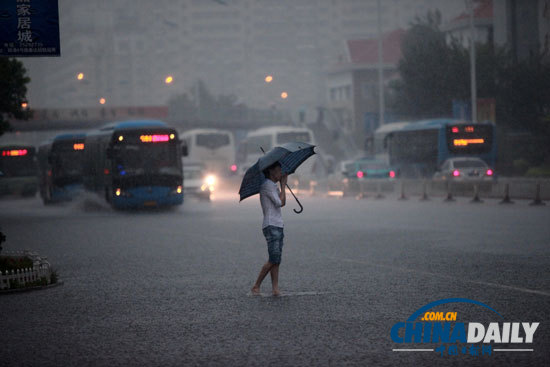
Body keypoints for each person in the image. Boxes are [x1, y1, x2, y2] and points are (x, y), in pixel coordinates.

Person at [251, 161, 287, 296]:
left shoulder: (273, 186)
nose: (280, 173)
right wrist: (283, 185)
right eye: (278, 170)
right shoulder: (267, 186)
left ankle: (275, 289)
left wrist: (282, 187)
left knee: (277, 260)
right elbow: (279, 203)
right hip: (271, 225)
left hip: (278, 224)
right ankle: (256, 286)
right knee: (273, 259)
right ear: (271, 171)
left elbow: (283, 203)